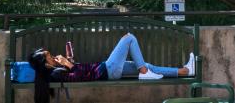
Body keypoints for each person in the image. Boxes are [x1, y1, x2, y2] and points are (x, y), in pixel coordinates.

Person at [28, 33, 195, 103]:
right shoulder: (55, 73)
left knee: (145, 65)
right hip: (107, 70)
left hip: (106, 69)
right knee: (129, 38)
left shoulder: (55, 70)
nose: (51, 55)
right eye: (48, 55)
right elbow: (80, 76)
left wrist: (70, 61)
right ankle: (145, 73)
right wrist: (68, 64)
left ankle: (185, 71)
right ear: (45, 63)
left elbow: (78, 73)